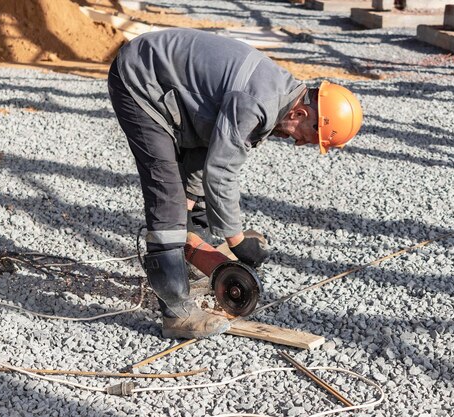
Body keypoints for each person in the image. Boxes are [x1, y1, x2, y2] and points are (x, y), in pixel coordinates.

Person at [108, 28, 362, 339]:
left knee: (186, 196)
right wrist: (237, 241)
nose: (296, 143)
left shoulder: (278, 94)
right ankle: (176, 311)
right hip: (139, 78)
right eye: (304, 137)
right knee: (167, 190)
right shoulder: (257, 104)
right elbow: (222, 171)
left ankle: (186, 262)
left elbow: (210, 155)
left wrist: (187, 211)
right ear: (300, 112)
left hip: (179, 93)